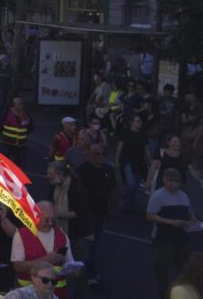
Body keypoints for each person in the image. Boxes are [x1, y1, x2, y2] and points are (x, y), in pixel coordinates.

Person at [147, 168, 197, 299]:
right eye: (171, 181)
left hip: (182, 242)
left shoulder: (183, 196)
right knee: (162, 274)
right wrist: (171, 222)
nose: (174, 184)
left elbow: (188, 209)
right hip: (163, 241)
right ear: (164, 179)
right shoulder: (158, 196)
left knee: (183, 272)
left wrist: (192, 218)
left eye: (177, 181)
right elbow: (150, 215)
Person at [11, 202, 75, 299]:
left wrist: (74, 270)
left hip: (58, 294)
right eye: (46, 220)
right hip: (30, 294)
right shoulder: (21, 235)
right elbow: (18, 266)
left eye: (53, 220)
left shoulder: (62, 235)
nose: (50, 223)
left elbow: (70, 262)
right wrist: (46, 259)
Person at [74, 143, 115, 287]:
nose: (101, 157)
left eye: (104, 154)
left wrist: (110, 209)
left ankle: (87, 270)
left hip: (101, 212)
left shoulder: (108, 170)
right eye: (98, 154)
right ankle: (85, 273)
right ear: (91, 155)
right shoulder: (83, 170)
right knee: (87, 245)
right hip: (87, 213)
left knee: (95, 244)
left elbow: (111, 191)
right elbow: (75, 191)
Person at [115, 113, 150, 212]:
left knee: (135, 185)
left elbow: (146, 149)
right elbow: (120, 146)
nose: (140, 123)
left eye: (140, 121)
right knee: (130, 184)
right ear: (132, 123)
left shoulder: (143, 133)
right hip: (127, 161)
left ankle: (130, 204)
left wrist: (150, 162)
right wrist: (117, 160)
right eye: (138, 121)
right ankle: (123, 201)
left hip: (139, 163)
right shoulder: (126, 132)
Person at [0, 97, 32, 167]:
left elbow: (30, 126)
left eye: (22, 104)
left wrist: (23, 134)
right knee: (6, 161)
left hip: (21, 145)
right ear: (14, 105)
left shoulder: (26, 115)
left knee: (20, 163)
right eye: (19, 104)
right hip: (8, 144)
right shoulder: (6, 113)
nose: (22, 106)